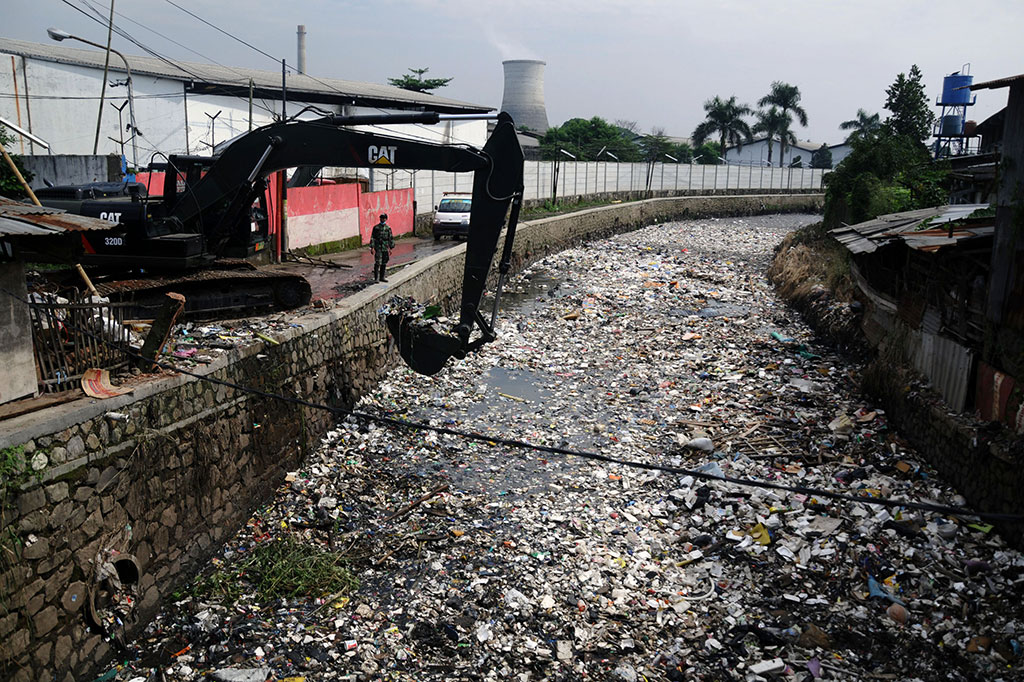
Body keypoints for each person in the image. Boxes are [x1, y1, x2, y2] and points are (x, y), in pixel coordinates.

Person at [370, 213, 395, 282]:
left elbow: (390, 238)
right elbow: (373, 238)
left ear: (386, 219)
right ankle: (376, 278)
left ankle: (382, 277)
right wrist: (372, 247)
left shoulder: (388, 228)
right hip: (378, 247)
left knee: (384, 262)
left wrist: (390, 248)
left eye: (384, 218)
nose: (382, 219)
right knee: (378, 262)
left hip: (385, 247)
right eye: (381, 218)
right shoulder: (376, 228)